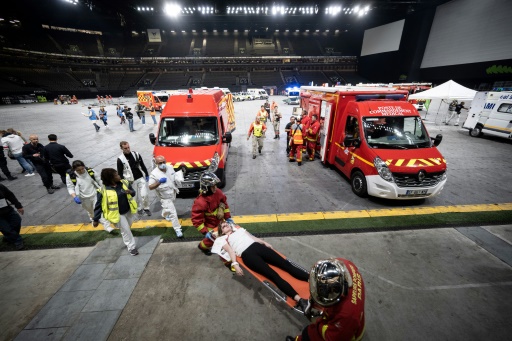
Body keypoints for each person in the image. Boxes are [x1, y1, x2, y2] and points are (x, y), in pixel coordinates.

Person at [215, 221, 310, 313]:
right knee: (273, 275)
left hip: (257, 247)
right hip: (248, 255)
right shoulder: (222, 239)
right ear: (221, 232)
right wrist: (234, 264)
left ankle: (311, 279)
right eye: (223, 226)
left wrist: (264, 243)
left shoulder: (239, 230)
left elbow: (253, 238)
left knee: (286, 265)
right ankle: (301, 300)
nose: (226, 226)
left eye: (226, 224)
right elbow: (231, 251)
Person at [286, 258, 365, 341]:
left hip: (344, 334)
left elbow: (331, 337)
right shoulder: (346, 265)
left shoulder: (346, 316)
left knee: (308, 334)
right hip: (356, 320)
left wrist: (318, 322)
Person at [93, 168, 139, 256]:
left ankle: (128, 242)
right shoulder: (103, 191)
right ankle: (132, 248)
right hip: (117, 215)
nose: (119, 176)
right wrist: (96, 219)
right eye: (116, 175)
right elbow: (98, 206)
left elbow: (133, 193)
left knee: (126, 229)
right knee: (126, 230)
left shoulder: (124, 183)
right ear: (111, 178)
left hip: (128, 210)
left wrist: (130, 192)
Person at [191, 171, 232, 255]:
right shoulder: (200, 202)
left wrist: (228, 217)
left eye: (215, 185)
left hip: (220, 221)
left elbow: (224, 203)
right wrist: (205, 232)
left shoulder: (218, 192)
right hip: (210, 225)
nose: (215, 188)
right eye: (212, 186)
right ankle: (202, 247)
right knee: (211, 240)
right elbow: (196, 220)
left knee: (223, 238)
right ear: (206, 187)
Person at [66, 160, 113, 233]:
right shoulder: (71, 176)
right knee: (90, 211)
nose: (81, 171)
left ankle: (107, 226)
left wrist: (104, 190)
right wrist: (74, 196)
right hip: (83, 198)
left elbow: (99, 180)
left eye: (82, 169)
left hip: (95, 194)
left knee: (99, 211)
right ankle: (93, 218)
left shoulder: (90, 172)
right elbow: (70, 187)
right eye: (78, 170)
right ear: (74, 169)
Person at [148, 155, 183, 238]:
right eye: (160, 163)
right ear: (156, 163)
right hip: (164, 197)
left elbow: (173, 176)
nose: (163, 164)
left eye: (164, 162)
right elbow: (150, 187)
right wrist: (159, 182)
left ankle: (164, 214)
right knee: (173, 213)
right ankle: (177, 229)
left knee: (169, 209)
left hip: (172, 193)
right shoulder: (154, 174)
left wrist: (179, 178)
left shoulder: (170, 167)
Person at [117, 141, 151, 216]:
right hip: (131, 181)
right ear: (121, 148)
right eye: (125, 148)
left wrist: (147, 174)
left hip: (140, 177)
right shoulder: (120, 159)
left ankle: (146, 208)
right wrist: (123, 184)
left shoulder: (136, 154)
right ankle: (139, 208)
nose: (128, 149)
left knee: (144, 194)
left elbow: (142, 165)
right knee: (136, 197)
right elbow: (120, 173)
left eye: (128, 147)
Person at [0, 184, 24, 250]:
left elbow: (9, 195)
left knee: (17, 221)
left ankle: (8, 237)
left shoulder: (0, 186)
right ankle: (18, 241)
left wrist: (18, 206)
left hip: (7, 210)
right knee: (6, 228)